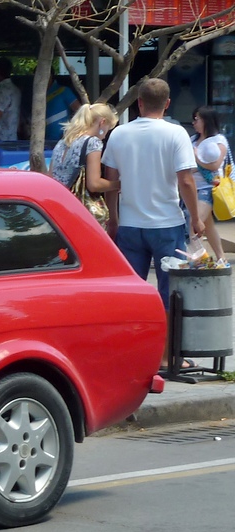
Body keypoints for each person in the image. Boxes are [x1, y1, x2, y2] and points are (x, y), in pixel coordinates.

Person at [102, 78, 204, 366]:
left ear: (139, 102)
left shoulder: (120, 134)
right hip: (167, 224)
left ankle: (134, 351)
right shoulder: (176, 134)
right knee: (168, 292)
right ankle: (165, 355)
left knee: (132, 292)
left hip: (131, 225)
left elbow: (112, 181)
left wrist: (113, 217)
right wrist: (196, 217)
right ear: (168, 103)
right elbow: (185, 180)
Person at [48, 103, 119, 193]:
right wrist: (118, 185)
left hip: (58, 199)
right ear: (102, 122)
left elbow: (50, 177)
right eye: (108, 129)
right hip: (76, 203)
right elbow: (94, 184)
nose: (105, 135)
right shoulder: (93, 142)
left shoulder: (62, 142)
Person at [191, 105, 230, 259]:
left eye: (197, 119)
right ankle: (221, 258)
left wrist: (196, 159)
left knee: (195, 225)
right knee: (207, 226)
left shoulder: (219, 140)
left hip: (208, 188)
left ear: (207, 120)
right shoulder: (193, 139)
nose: (194, 122)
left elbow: (214, 165)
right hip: (193, 188)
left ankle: (199, 259)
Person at [44, 74, 82, 142]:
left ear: (50, 76)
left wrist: (72, 130)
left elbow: (80, 112)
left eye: (41, 75)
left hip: (62, 140)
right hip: (43, 141)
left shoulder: (63, 90)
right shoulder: (37, 95)